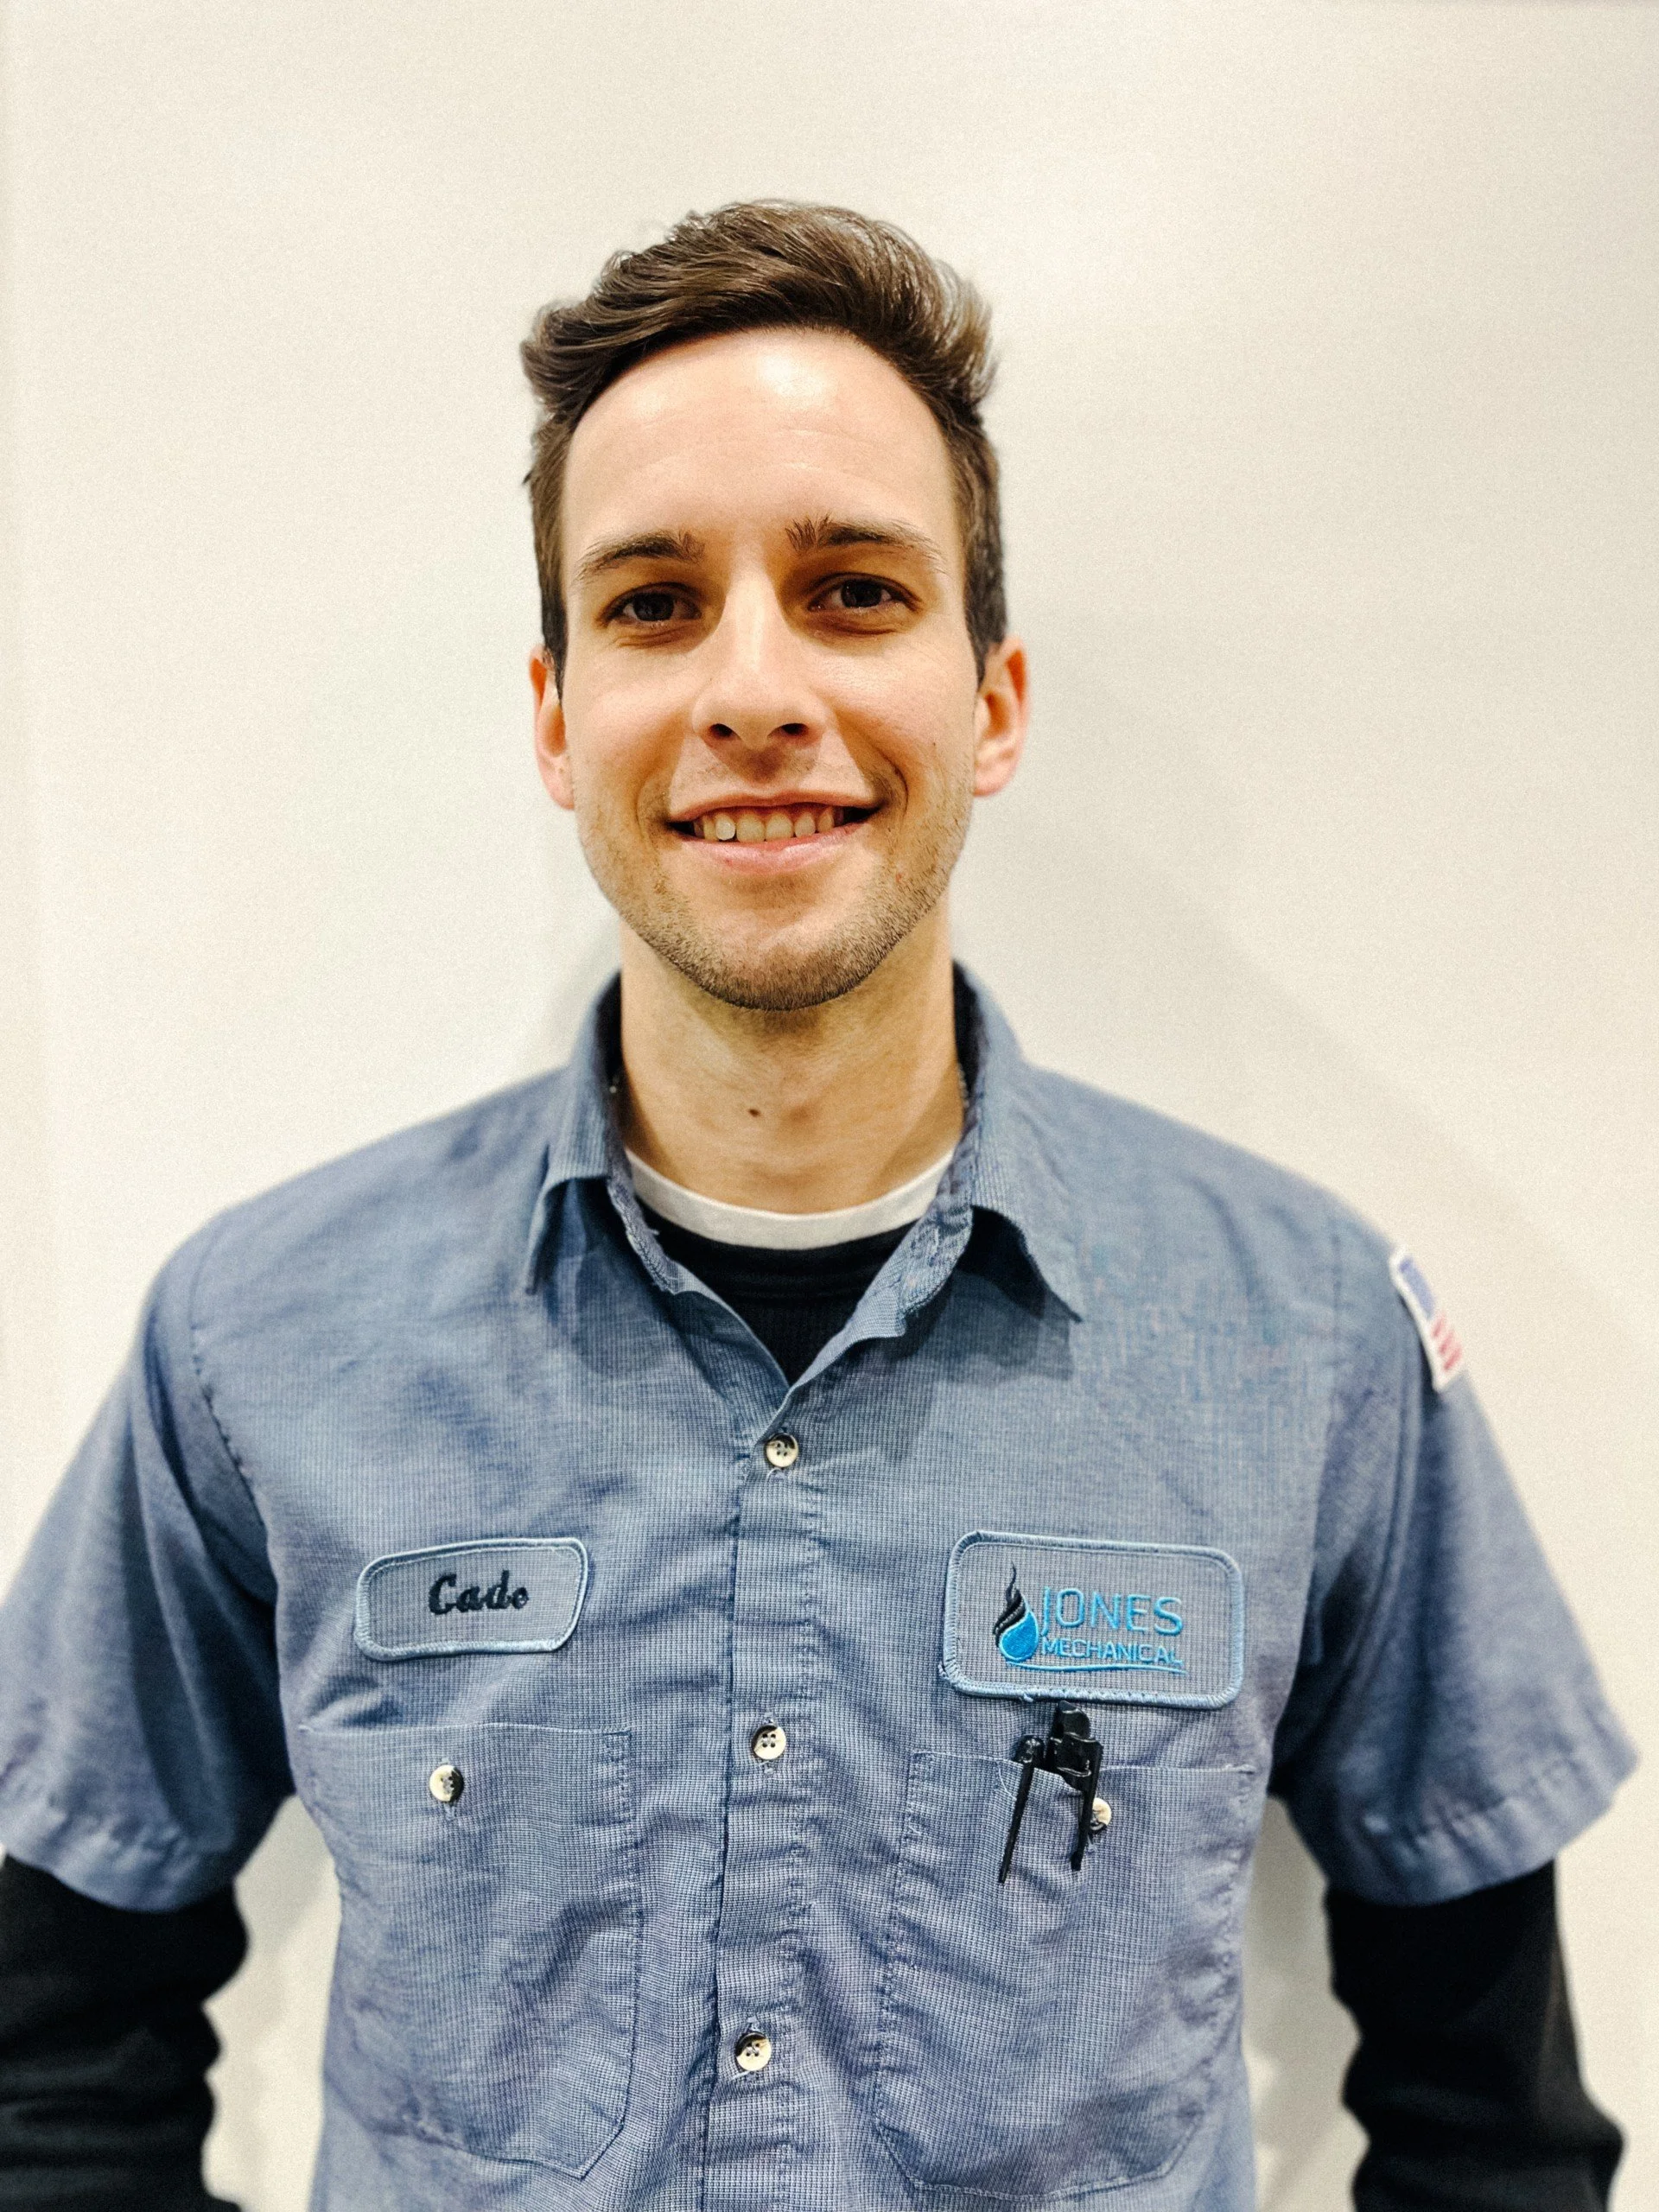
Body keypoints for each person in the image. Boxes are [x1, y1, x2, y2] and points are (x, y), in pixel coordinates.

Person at [0, 202, 1633, 2212]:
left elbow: (1498, 2123)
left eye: (854, 590)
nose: (755, 685)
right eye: (658, 602)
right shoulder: (258, 1338)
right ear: (552, 714)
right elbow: (54, 2061)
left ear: (995, 699)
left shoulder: (1311, 1338)